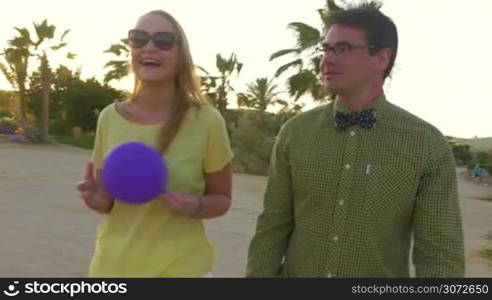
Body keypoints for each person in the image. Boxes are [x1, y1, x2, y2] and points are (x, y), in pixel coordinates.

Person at [246, 6, 464, 277]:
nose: (327, 60)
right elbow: (271, 228)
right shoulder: (295, 133)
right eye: (326, 49)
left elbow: (439, 255)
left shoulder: (426, 145)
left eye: (343, 48)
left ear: (381, 58)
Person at [76, 10, 233, 277]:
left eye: (162, 40)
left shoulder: (207, 121)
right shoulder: (109, 118)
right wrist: (97, 200)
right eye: (139, 39)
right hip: (112, 270)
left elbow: (222, 199)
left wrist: (196, 206)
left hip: (183, 270)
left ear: (180, 55)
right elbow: (108, 202)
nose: (149, 47)